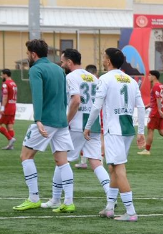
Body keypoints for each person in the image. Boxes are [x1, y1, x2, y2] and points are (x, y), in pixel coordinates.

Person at [40, 49, 112, 210]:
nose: (61, 64)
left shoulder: (70, 77)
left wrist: (65, 121)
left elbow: (76, 100)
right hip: (92, 124)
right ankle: (111, 195)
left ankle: (57, 199)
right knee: (96, 162)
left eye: (63, 61)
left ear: (70, 62)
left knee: (61, 160)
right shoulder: (93, 77)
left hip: (77, 125)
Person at [83, 48, 145, 221]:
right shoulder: (131, 81)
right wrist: (141, 132)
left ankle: (131, 212)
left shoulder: (105, 79)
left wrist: (88, 126)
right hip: (127, 130)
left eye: (104, 57)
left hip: (114, 130)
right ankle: (110, 207)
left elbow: (96, 106)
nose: (103, 60)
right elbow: (140, 107)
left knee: (119, 169)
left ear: (108, 61)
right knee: (113, 168)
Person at [13, 39, 75, 212]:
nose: (27, 57)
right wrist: (63, 117)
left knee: (26, 156)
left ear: (33, 54)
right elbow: (65, 96)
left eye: (28, 54)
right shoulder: (58, 69)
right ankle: (69, 202)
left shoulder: (36, 69)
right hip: (61, 120)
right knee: (62, 161)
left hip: (46, 120)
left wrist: (38, 120)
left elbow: (37, 96)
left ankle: (33, 197)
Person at [137, 70, 163, 156]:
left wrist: (159, 110)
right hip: (160, 110)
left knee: (150, 130)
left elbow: (158, 99)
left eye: (150, 75)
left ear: (154, 77)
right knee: (161, 131)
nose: (148, 77)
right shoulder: (161, 86)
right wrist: (148, 106)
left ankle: (147, 150)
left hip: (156, 112)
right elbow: (158, 99)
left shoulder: (156, 86)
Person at [0, 69, 18, 150]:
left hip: (7, 107)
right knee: (9, 126)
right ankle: (11, 146)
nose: (1, 76)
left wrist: (2, 108)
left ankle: (10, 139)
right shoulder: (14, 83)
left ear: (5, 75)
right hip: (13, 106)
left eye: (2, 74)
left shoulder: (5, 84)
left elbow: (5, 97)